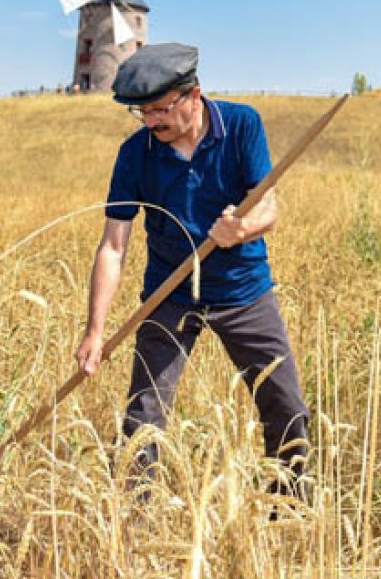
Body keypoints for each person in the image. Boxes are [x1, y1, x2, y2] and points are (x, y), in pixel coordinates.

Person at [73, 43, 310, 500]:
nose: (151, 122)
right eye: (142, 113)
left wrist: (242, 229)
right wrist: (95, 330)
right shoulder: (135, 153)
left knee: (285, 405)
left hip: (243, 291)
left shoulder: (242, 125)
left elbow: (270, 209)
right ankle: (130, 525)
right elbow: (112, 245)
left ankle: (290, 512)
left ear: (194, 95)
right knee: (144, 416)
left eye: (160, 110)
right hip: (170, 292)